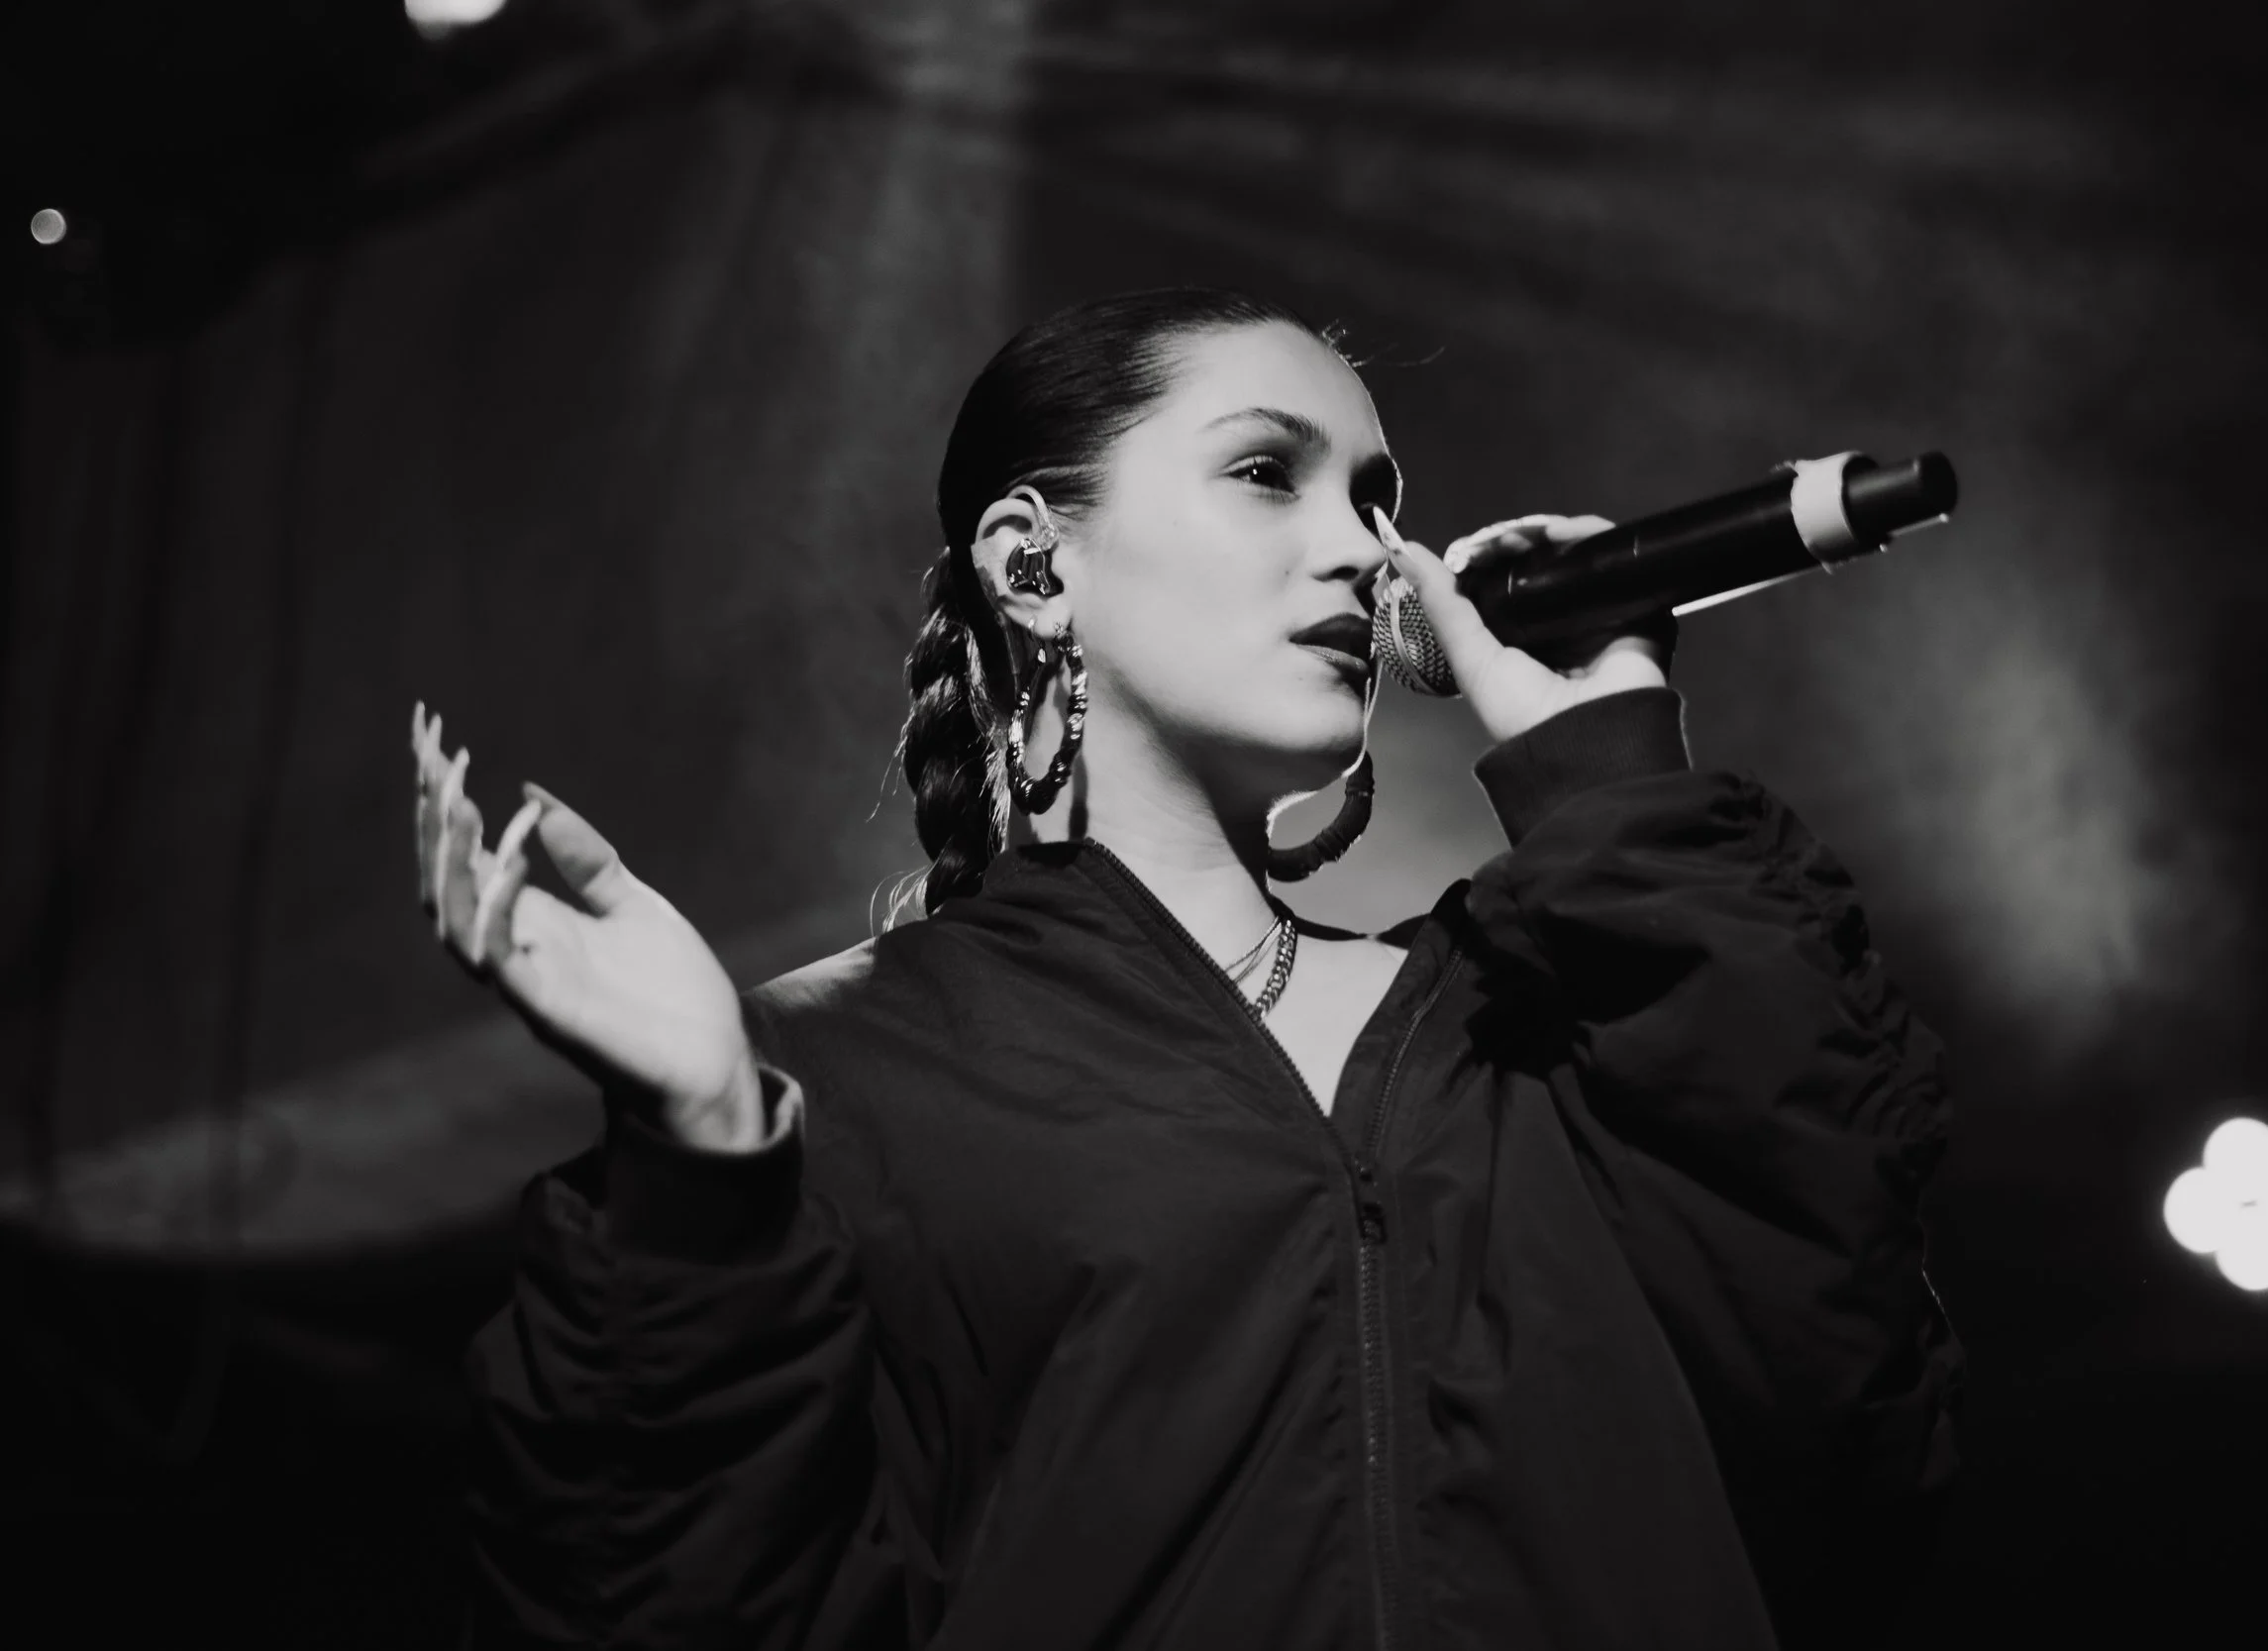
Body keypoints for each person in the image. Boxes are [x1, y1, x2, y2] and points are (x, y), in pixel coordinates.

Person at [418, 287, 1962, 1651]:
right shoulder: (839, 1071)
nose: (1367, 552)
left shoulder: (1540, 1022)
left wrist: (1608, 766)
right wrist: (701, 1167)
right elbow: (671, 1604)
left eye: (1378, 500)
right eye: (1266, 473)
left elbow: (1840, 1413)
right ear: (1033, 564)